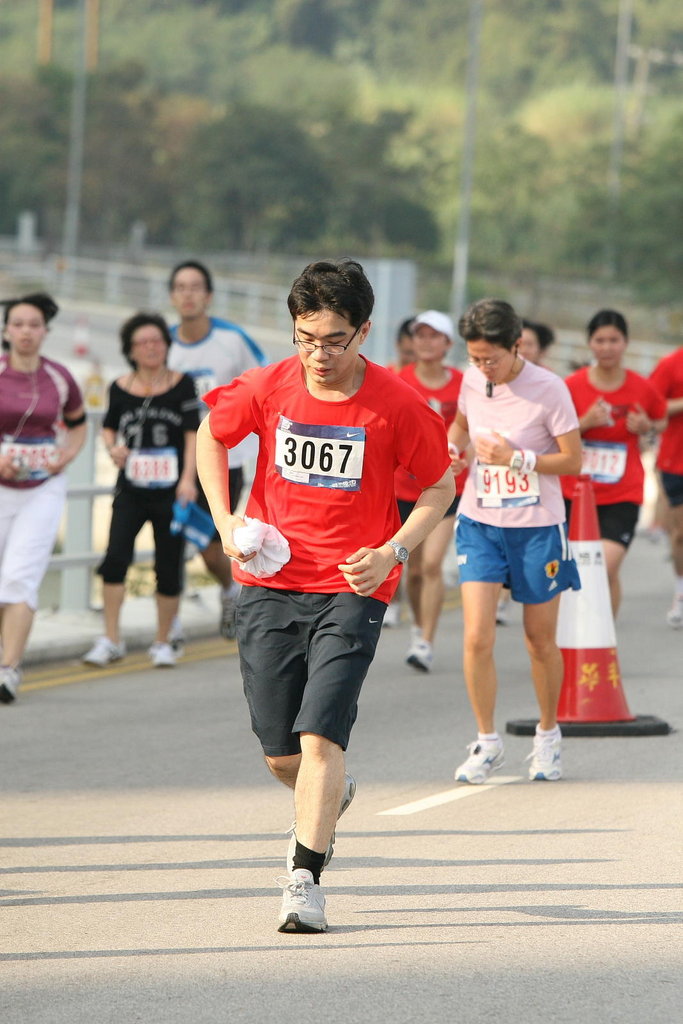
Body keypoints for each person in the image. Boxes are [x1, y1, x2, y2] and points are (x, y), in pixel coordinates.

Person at [196, 258, 454, 933]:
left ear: (363, 332)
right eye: (305, 338)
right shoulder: (268, 385)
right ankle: (330, 791)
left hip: (352, 585)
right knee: (282, 754)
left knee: (320, 736)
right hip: (268, 581)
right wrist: (224, 521)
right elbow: (210, 435)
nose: (318, 355)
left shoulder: (398, 404)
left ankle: (303, 878)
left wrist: (394, 551)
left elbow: (439, 486)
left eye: (333, 340)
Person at [447, 298, 582, 784]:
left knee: (538, 640)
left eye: (491, 359)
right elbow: (462, 425)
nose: (483, 367)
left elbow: (573, 460)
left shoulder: (550, 389)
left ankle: (547, 736)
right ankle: (487, 742)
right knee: (476, 636)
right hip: (480, 521)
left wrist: (517, 459)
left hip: (537, 527)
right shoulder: (471, 379)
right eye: (475, 358)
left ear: (516, 345)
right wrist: (453, 449)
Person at [82, 313, 199, 669]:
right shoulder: (119, 387)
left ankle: (163, 641)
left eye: (157, 341)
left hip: (171, 491)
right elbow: (108, 427)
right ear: (130, 350)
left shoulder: (183, 385)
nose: (151, 348)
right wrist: (112, 448)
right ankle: (111, 639)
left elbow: (193, 435)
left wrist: (188, 479)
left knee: (168, 565)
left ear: (167, 344)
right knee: (115, 559)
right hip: (131, 490)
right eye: (142, 343)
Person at [167, 260, 267, 642]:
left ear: (208, 296)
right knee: (169, 541)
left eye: (195, 287)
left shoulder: (232, 340)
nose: (188, 294)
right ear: (172, 295)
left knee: (210, 546)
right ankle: (170, 623)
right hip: (175, 462)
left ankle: (229, 590)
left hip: (226, 457)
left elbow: (264, 386)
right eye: (181, 287)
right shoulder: (163, 343)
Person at [0, 293, 86, 704]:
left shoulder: (59, 377)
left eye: (34, 325)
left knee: (21, 576)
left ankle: (8, 670)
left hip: (42, 489)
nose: (26, 332)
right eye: (18, 324)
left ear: (45, 331)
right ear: (6, 330)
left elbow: (78, 424)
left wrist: (66, 455)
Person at [561, 310, 667, 618]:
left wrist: (646, 426)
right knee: (575, 568)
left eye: (614, 340)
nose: (607, 347)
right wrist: (585, 422)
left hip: (622, 492)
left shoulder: (642, 387)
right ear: (589, 343)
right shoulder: (571, 386)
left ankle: (603, 636)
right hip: (575, 492)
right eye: (600, 340)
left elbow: (660, 419)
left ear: (625, 343)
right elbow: (554, 432)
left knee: (605, 567)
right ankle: (575, 632)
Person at [394, 310, 465, 670]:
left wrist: (463, 458)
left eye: (433, 335)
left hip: (446, 488)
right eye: (419, 335)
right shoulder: (398, 380)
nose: (425, 341)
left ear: (447, 343)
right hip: (404, 489)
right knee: (416, 569)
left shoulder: (463, 385)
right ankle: (417, 628)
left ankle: (426, 642)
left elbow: (472, 430)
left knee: (434, 564)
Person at [496, 317, 556, 626]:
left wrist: (519, 458)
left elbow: (566, 449)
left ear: (541, 350)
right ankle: (498, 599)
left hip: (536, 489)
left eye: (529, 344)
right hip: (496, 486)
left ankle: (511, 596)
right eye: (518, 343)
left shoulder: (551, 386)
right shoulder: (491, 382)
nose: (522, 349)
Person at [649, 345, 683, 627]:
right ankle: (681, 592)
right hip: (677, 461)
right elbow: (652, 408)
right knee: (681, 534)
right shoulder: (672, 364)